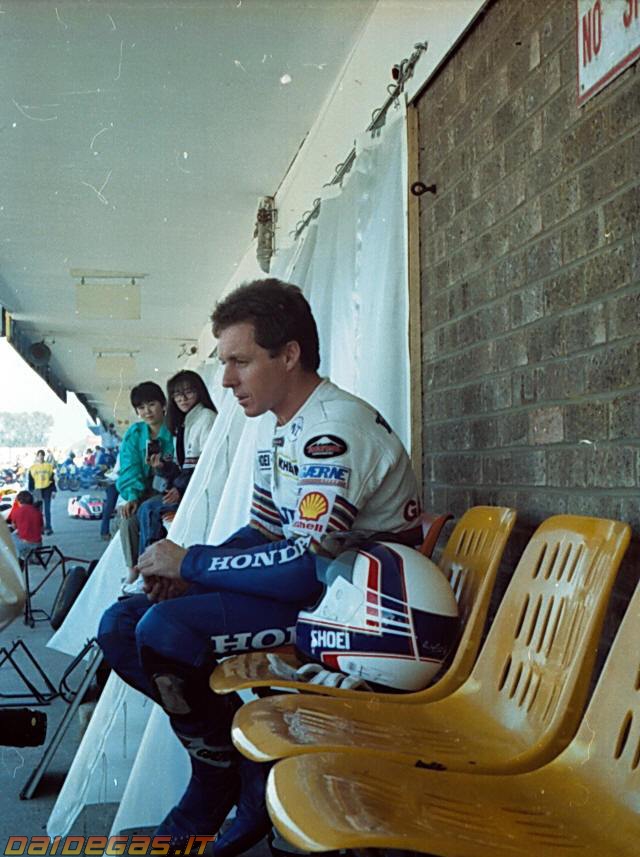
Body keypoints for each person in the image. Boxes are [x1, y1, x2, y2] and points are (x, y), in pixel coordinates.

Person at [97, 279, 422, 853]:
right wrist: (185, 574)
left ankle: (232, 780)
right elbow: (264, 534)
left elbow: (303, 566)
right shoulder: (282, 429)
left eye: (240, 361)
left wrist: (193, 562)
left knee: (164, 629)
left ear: (289, 354)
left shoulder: (332, 430)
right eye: (225, 362)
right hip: (316, 595)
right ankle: (230, 764)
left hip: (363, 619)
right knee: (121, 623)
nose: (225, 380)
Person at [137, 370, 217, 555]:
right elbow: (183, 468)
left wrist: (180, 490)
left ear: (199, 391)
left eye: (188, 392)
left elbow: (209, 465)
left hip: (201, 493)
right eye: (177, 394)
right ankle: (149, 561)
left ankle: (148, 562)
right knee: (147, 508)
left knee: (149, 509)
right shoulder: (186, 423)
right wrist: (162, 467)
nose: (182, 398)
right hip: (189, 490)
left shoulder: (206, 418)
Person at [115, 382, 174, 574]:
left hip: (170, 489)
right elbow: (129, 466)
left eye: (151, 404)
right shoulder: (135, 434)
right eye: (141, 407)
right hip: (143, 490)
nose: (147, 411)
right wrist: (132, 497)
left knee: (148, 513)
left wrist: (163, 468)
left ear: (163, 404)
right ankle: (133, 568)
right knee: (127, 518)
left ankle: (151, 568)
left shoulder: (175, 429)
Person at [8, 490, 43, 559]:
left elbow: (14, 527)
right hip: (38, 544)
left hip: (25, 544)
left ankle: (19, 557)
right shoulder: (37, 511)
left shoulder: (16, 512)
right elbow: (41, 528)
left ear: (19, 501)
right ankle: (32, 556)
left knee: (11, 536)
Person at [28, 449, 56, 535]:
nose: (40, 457)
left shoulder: (48, 466)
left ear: (44, 456)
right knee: (38, 511)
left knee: (47, 510)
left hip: (47, 489)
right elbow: (31, 481)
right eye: (39, 455)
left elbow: (52, 479)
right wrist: (31, 491)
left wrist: (54, 490)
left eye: (42, 455)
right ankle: (40, 528)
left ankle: (48, 527)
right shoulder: (32, 468)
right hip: (37, 490)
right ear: (37, 456)